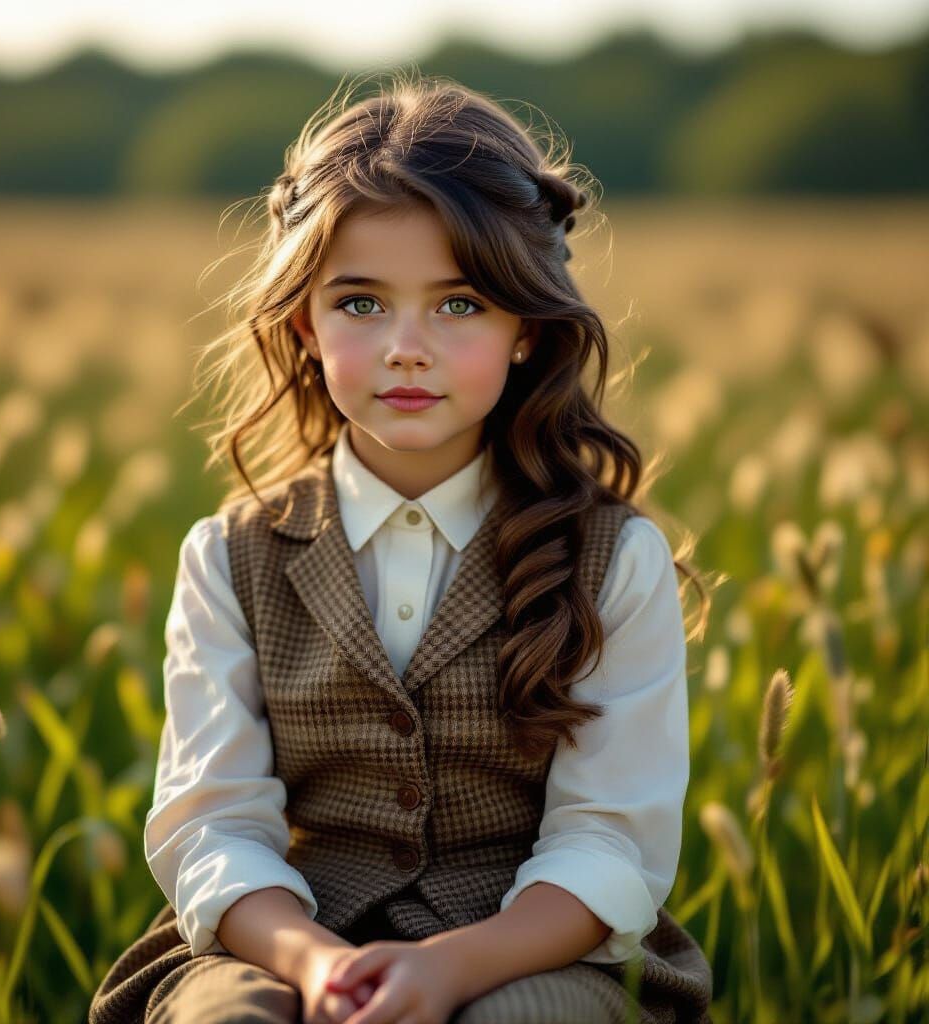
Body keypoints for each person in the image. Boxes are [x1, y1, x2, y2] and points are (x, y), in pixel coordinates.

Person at [88, 68, 715, 1024]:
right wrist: (313, 965)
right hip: (284, 937)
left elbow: (608, 845)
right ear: (304, 322)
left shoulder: (612, 559)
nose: (406, 347)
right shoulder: (229, 556)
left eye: (458, 304)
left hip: (535, 943)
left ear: (525, 330)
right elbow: (213, 822)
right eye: (362, 303)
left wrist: (454, 971)